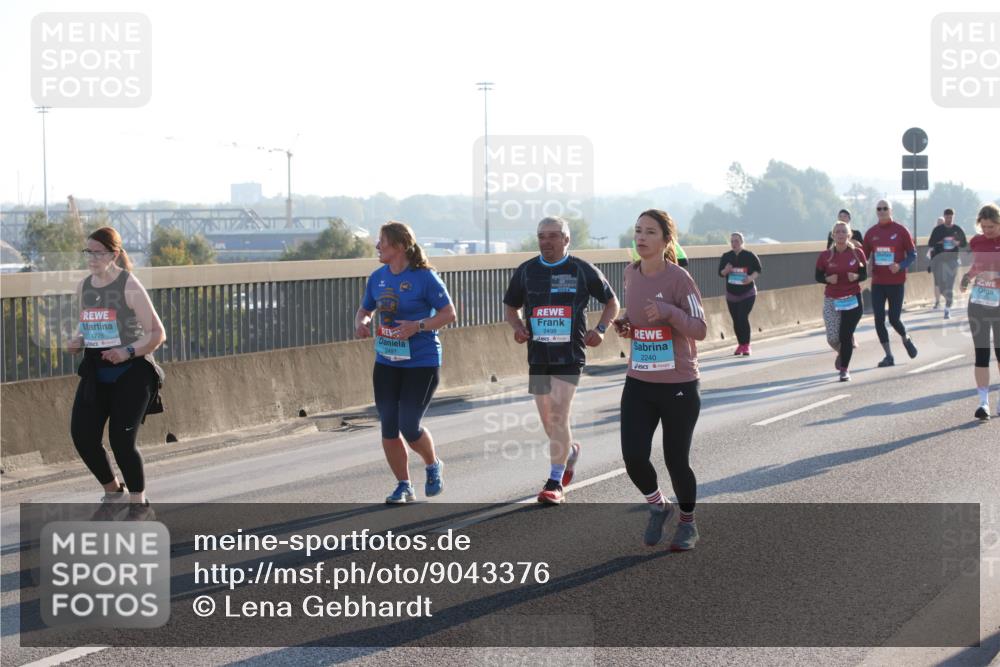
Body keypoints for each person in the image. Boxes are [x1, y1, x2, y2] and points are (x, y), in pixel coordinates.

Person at [503, 216, 619, 504]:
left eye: (553, 236)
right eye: (542, 236)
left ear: (566, 239)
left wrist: (600, 329)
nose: (547, 242)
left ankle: (555, 482)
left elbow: (612, 302)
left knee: (558, 413)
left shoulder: (581, 269)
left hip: (569, 355)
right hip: (538, 356)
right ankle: (570, 450)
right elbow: (511, 307)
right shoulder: (526, 270)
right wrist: (517, 327)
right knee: (547, 419)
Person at [613, 209, 707, 550]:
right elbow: (639, 318)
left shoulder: (679, 279)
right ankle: (658, 505)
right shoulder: (630, 273)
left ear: (667, 240)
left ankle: (687, 523)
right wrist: (627, 325)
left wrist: (669, 311)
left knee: (676, 461)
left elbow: (700, 328)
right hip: (639, 380)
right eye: (638, 230)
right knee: (634, 456)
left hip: (678, 383)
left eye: (650, 232)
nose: (641, 237)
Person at [67, 227, 166, 521]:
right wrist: (77, 339)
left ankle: (139, 504)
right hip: (97, 373)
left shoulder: (129, 285)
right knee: (83, 436)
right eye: (88, 252)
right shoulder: (84, 286)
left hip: (132, 374)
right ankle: (114, 493)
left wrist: (127, 351)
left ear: (113, 255)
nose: (91, 257)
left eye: (98, 252)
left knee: (122, 442)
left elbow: (157, 333)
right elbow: (88, 322)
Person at [355, 221, 457, 503]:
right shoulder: (377, 277)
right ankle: (404, 485)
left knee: (408, 425)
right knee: (389, 425)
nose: (377, 246)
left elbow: (449, 314)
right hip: (387, 360)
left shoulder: (425, 277)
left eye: (382, 241)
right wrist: (362, 322)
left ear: (399, 246)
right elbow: (365, 309)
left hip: (421, 362)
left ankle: (433, 464)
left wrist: (418, 326)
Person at [863, 200, 918, 367]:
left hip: (896, 282)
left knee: (894, 319)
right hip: (878, 282)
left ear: (891, 210)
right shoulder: (871, 233)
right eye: (879, 209)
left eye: (885, 208)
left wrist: (900, 266)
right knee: (878, 319)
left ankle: (906, 337)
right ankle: (888, 356)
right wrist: (863, 264)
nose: (882, 211)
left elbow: (913, 254)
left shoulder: (901, 230)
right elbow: (863, 256)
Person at [959, 204, 1000, 421]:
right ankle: (983, 403)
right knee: (981, 353)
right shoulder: (976, 242)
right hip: (979, 301)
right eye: (983, 226)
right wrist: (968, 277)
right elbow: (977, 266)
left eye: (991, 226)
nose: (987, 230)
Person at [817, 220, 868, 381]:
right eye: (837, 232)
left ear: (849, 235)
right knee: (833, 338)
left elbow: (864, 274)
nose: (840, 234)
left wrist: (856, 276)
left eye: (843, 231)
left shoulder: (857, 253)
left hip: (852, 299)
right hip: (832, 299)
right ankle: (844, 351)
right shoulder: (825, 256)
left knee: (845, 336)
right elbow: (818, 276)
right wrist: (827, 279)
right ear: (833, 236)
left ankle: (844, 370)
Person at [718, 232, 762, 356]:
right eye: (732, 241)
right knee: (736, 320)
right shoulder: (726, 256)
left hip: (747, 293)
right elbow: (720, 273)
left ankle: (746, 345)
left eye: (736, 241)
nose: (734, 243)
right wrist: (726, 270)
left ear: (742, 242)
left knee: (742, 317)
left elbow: (758, 269)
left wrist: (750, 278)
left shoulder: (749, 255)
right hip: (731, 294)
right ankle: (740, 344)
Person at [928, 208, 969, 319]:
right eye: (947, 217)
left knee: (949, 285)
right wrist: (940, 242)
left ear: (953, 217)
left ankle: (947, 310)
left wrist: (957, 243)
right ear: (944, 216)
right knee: (941, 286)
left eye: (951, 217)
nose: (949, 219)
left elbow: (964, 244)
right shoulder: (938, 230)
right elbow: (930, 243)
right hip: (939, 260)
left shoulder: (957, 229)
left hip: (952, 260)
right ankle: (948, 299)